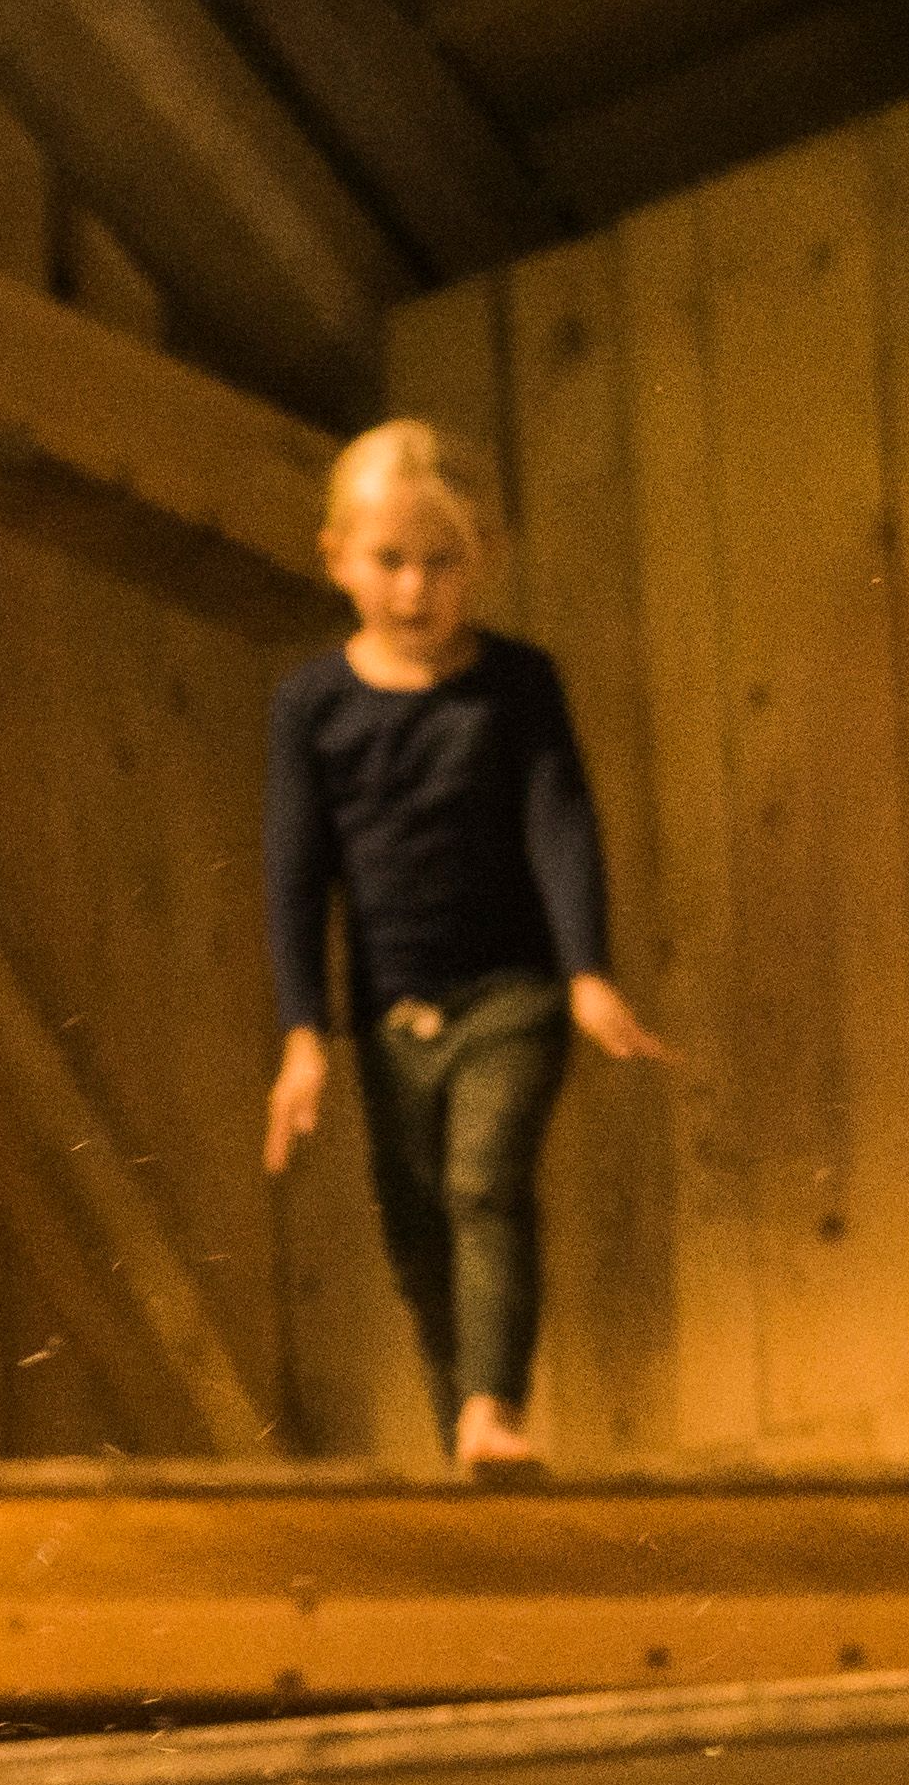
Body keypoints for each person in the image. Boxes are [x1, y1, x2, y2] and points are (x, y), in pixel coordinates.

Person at [261, 419, 665, 1470]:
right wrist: (304, 1033)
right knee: (418, 1234)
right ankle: (465, 1442)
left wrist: (584, 973)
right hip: (392, 1016)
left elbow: (561, 822)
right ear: (338, 557)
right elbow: (296, 874)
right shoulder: (311, 708)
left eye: (442, 563)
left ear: (483, 554)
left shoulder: (519, 686)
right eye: (390, 561)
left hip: (513, 995)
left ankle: (493, 1407)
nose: (414, 590)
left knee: (484, 1180)